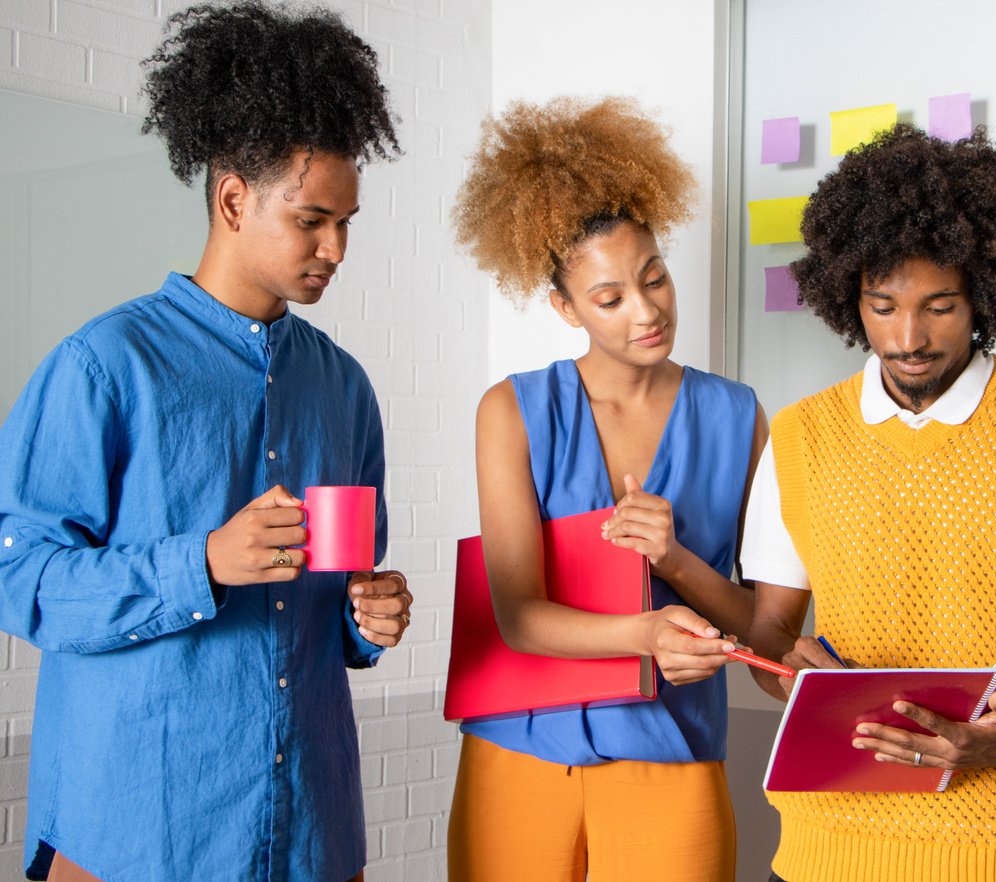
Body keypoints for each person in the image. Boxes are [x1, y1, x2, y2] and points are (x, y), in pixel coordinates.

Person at [0, 3, 412, 880]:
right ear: (232, 198)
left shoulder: (343, 388)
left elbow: (336, 608)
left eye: (347, 221)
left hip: (308, 832)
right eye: (310, 219)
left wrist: (367, 616)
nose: (335, 247)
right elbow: (19, 577)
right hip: (137, 834)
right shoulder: (104, 367)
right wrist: (203, 562)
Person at [743, 124, 996, 882]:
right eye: (881, 304)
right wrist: (783, 672)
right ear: (847, 297)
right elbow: (770, 630)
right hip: (824, 831)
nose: (907, 337)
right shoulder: (799, 434)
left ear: (985, 296)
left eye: (939, 306)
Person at [446, 96, 768, 882]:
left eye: (654, 278)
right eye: (610, 298)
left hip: (671, 750)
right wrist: (646, 637)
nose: (647, 310)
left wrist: (678, 561)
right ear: (563, 307)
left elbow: (764, 628)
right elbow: (518, 616)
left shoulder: (737, 415)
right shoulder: (511, 412)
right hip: (515, 756)